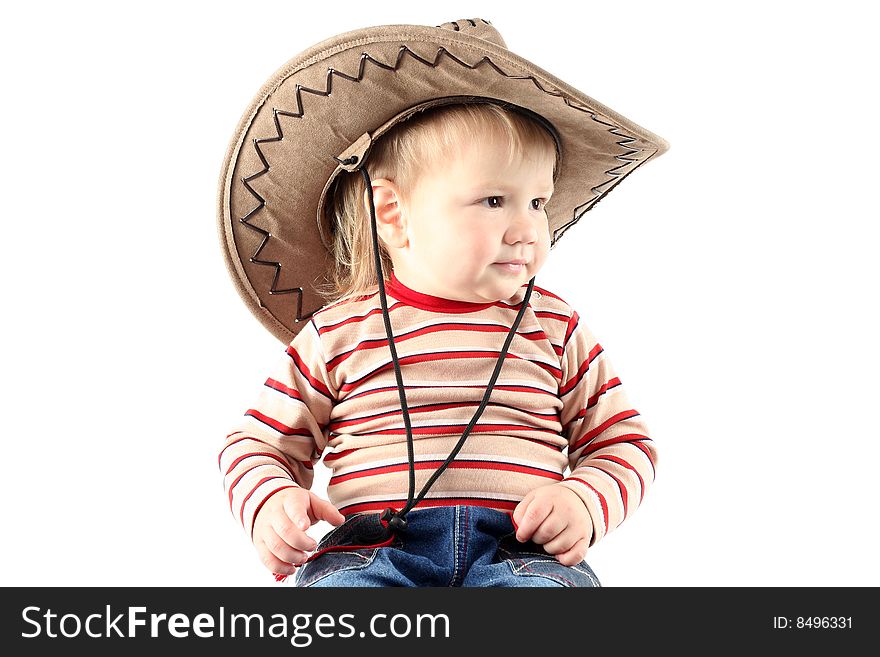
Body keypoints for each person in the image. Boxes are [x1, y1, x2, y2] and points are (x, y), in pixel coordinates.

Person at [216, 17, 668, 587]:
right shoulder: (338, 334)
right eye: (495, 200)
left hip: (518, 553)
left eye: (538, 202)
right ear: (393, 214)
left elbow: (624, 441)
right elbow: (256, 443)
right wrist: (272, 501)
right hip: (375, 550)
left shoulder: (554, 326)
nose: (528, 228)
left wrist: (584, 498)